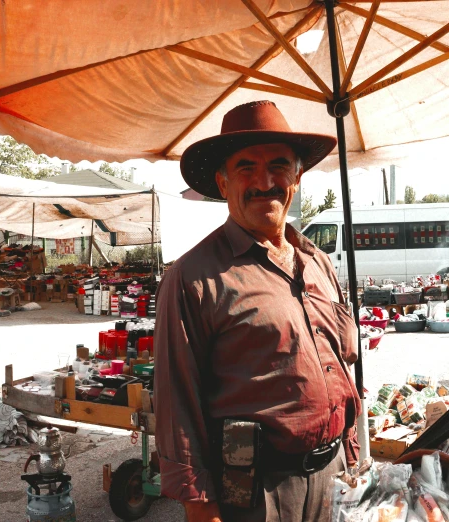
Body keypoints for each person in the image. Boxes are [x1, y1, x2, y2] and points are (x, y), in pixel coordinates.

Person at [154, 101, 360, 522]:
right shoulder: (193, 277)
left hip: (335, 476)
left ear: (297, 179)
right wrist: (201, 508)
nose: (264, 181)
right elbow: (178, 404)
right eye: (246, 167)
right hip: (256, 493)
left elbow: (340, 365)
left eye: (279, 166)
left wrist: (353, 456)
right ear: (223, 182)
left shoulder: (317, 262)